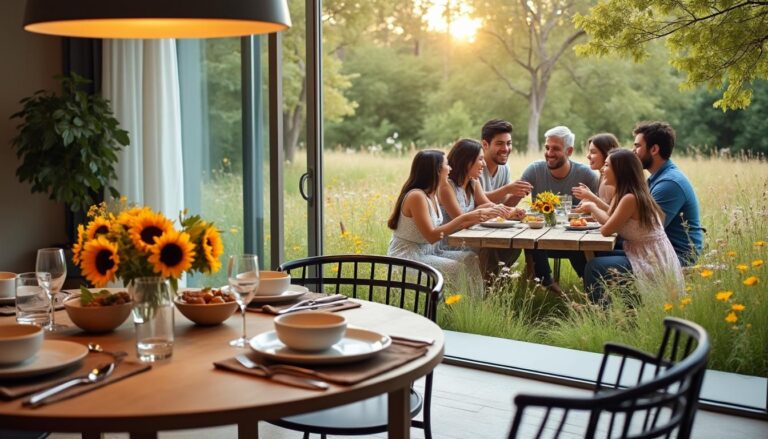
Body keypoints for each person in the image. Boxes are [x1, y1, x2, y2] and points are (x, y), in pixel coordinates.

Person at [576, 149, 684, 302]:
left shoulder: (630, 198)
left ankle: (601, 315)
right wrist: (593, 204)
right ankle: (624, 305)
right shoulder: (624, 194)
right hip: (643, 251)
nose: (602, 169)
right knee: (601, 255)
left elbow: (607, 230)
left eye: (606, 165)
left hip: (652, 259)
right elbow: (612, 217)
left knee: (595, 266)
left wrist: (592, 207)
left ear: (620, 170)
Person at [387, 150, 484, 294]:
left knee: (470, 258)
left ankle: (474, 307)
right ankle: (454, 311)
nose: (450, 168)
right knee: (455, 268)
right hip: (408, 258)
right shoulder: (416, 196)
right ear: (437, 170)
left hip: (429, 252)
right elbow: (431, 236)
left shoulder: (432, 194)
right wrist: (464, 218)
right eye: (447, 165)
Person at [520, 126, 599, 291]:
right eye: (547, 148)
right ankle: (547, 282)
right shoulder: (534, 170)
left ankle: (591, 289)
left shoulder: (586, 175)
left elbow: (600, 211)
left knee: (578, 242)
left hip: (574, 241)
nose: (549, 153)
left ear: (569, 151)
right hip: (541, 240)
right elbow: (511, 201)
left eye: (555, 149)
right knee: (531, 237)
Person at [438, 139, 519, 277]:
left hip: (469, 237)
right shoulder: (447, 186)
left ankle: (492, 283)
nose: (484, 164)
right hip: (450, 242)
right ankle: (488, 284)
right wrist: (484, 211)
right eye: (480, 159)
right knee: (493, 248)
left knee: (513, 247)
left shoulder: (473, 183)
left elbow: (489, 206)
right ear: (467, 161)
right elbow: (460, 223)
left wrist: (512, 212)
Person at [632, 121, 703, 266]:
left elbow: (647, 230)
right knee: (597, 254)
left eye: (638, 146)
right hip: (658, 249)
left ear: (654, 149)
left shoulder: (669, 184)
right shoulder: (657, 178)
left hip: (676, 256)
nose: (633, 151)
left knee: (598, 265)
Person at [478, 119, 533, 206]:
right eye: (499, 143)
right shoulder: (474, 166)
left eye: (509, 143)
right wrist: (506, 189)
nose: (506, 149)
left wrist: (518, 193)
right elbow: (476, 200)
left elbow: (504, 206)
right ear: (485, 144)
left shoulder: (504, 167)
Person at [572, 132, 619, 211]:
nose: (588, 156)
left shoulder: (612, 180)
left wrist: (591, 197)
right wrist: (588, 197)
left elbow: (614, 214)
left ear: (607, 153)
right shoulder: (602, 176)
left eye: (593, 152)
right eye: (589, 151)